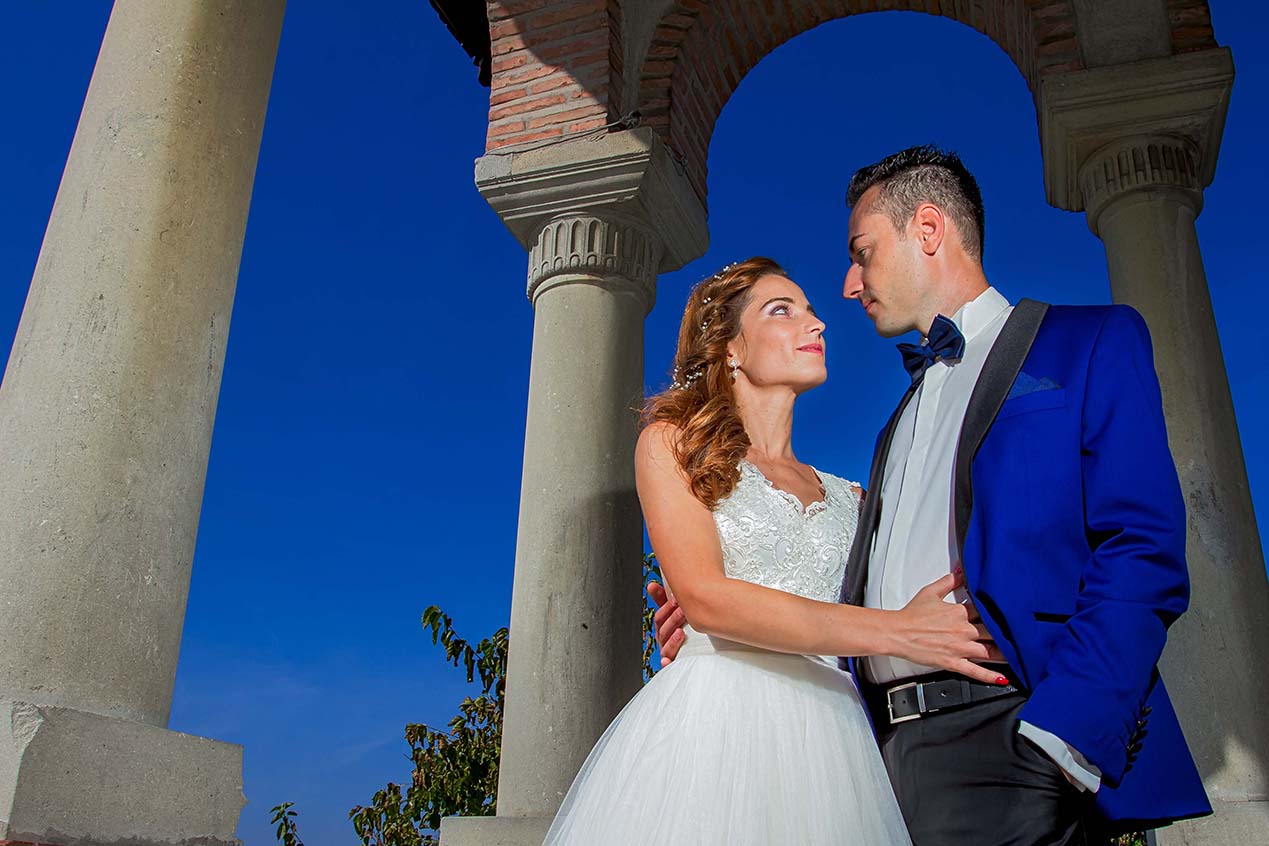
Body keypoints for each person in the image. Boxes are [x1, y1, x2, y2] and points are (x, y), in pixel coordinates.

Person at [654, 146, 1211, 845]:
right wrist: (714, 621)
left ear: (926, 229)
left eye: (862, 254)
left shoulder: (1087, 344)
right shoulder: (894, 426)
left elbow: (1142, 547)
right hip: (865, 761)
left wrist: (1066, 736)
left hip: (1009, 738)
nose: (848, 287)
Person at [543, 257, 1003, 845]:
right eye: (782, 310)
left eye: (811, 311)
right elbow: (706, 599)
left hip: (838, 743)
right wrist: (898, 631)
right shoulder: (672, 447)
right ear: (730, 347)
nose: (817, 324)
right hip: (716, 732)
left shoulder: (855, 498)